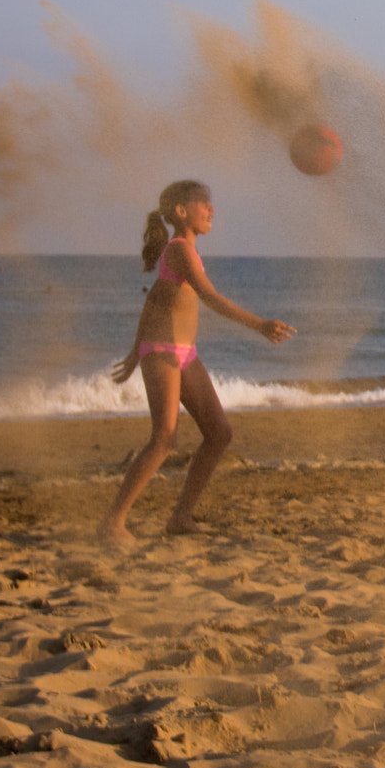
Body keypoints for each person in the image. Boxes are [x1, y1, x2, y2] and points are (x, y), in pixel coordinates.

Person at [99, 180, 295, 545]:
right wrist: (260, 325)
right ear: (180, 211)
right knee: (164, 439)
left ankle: (181, 516)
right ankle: (113, 521)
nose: (211, 209)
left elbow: (155, 299)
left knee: (219, 433)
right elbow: (210, 297)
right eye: (203, 202)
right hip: (162, 352)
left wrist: (131, 350)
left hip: (183, 354)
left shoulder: (184, 251)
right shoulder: (179, 250)